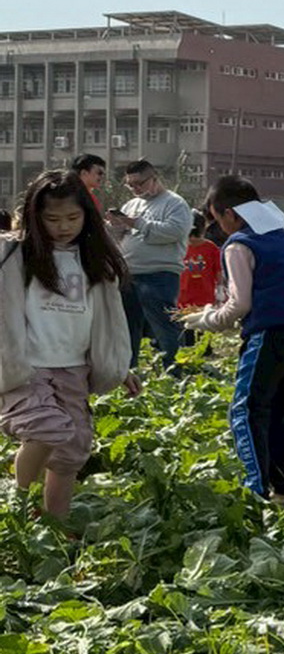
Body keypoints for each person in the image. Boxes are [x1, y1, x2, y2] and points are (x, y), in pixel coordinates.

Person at [0, 170, 136, 517]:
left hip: (73, 367)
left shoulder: (92, 260)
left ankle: (54, 525)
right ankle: (19, 507)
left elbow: (106, 323)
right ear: (35, 217)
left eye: (73, 218)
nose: (63, 227)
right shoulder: (16, 254)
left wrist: (119, 366)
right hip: (27, 367)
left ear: (86, 216)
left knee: (71, 451)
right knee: (46, 429)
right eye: (53, 219)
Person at [179, 178, 284, 497]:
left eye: (217, 218)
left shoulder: (239, 245)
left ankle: (256, 492)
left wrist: (208, 319)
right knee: (278, 411)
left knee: (247, 411)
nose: (219, 226)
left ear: (229, 214)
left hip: (269, 333)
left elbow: (240, 304)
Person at [109, 160, 191, 370]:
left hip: (159, 274)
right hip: (129, 274)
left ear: (154, 178)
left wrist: (136, 223)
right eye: (130, 185)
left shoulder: (174, 203)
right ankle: (128, 372)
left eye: (140, 183)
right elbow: (121, 237)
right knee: (128, 326)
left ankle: (174, 371)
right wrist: (116, 226)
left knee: (164, 326)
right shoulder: (131, 205)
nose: (135, 189)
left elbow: (174, 232)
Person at [178, 210, 223, 328]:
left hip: (204, 296)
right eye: (190, 235)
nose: (192, 239)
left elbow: (218, 270)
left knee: (200, 326)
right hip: (184, 296)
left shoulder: (211, 248)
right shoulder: (180, 247)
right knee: (186, 325)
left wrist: (220, 290)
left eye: (195, 235)